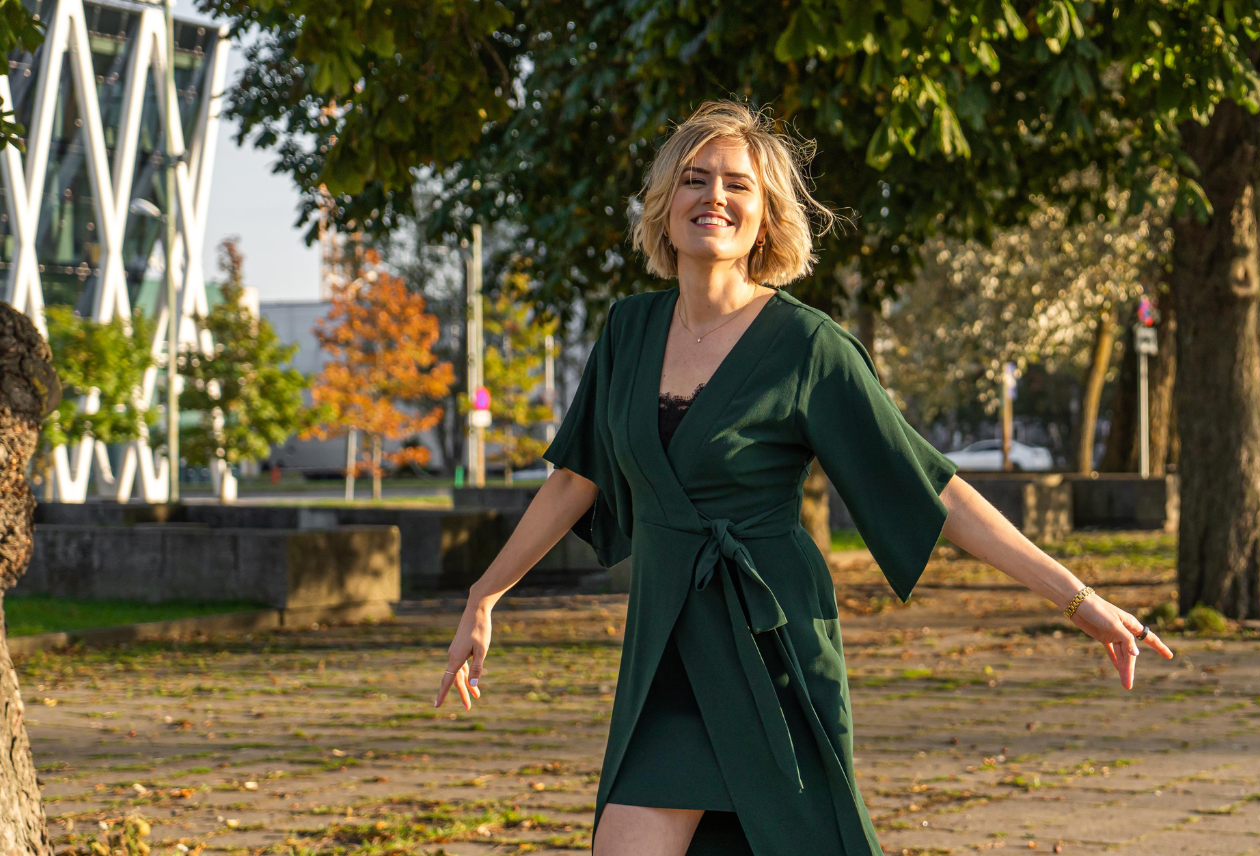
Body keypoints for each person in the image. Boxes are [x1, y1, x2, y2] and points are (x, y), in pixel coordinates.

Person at [435, 101, 1172, 856]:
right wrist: (484, 594)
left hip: (769, 644)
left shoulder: (809, 347)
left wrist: (1078, 599)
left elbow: (934, 490)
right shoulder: (628, 329)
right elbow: (574, 479)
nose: (713, 197)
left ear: (766, 217)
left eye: (737, 185)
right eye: (694, 178)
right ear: (665, 205)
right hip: (665, 647)